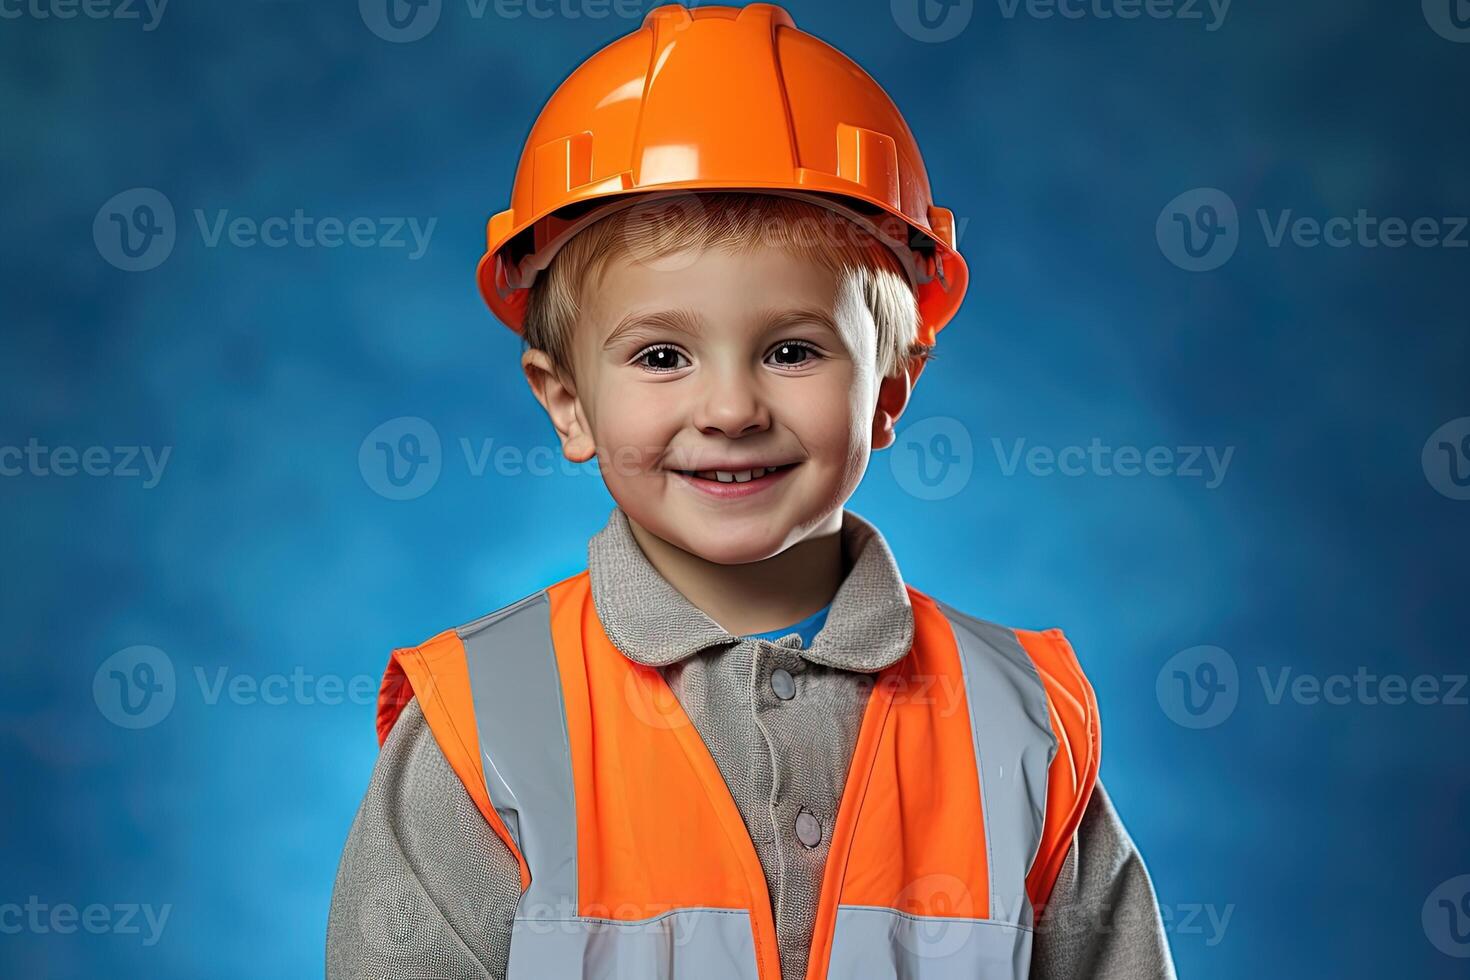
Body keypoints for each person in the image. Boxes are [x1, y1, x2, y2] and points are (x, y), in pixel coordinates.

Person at [327, 4, 1176, 978]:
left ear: (891, 386)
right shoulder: (483, 730)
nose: (729, 407)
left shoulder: (1018, 722)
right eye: (661, 354)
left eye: (790, 349)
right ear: (566, 402)